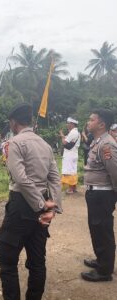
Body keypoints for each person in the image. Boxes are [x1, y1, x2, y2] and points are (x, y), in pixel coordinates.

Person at [0, 103, 62, 300]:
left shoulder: (15, 143)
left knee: (6, 257)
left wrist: (41, 205)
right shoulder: (45, 145)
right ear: (31, 121)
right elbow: (55, 178)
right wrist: (52, 207)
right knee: (37, 261)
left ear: (14, 123)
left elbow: (21, 178)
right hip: (41, 204)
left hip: (22, 205)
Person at [81, 109, 117, 282]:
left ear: (101, 124)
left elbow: (115, 171)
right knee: (96, 229)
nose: (88, 122)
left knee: (103, 231)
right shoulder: (98, 141)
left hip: (103, 195)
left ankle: (105, 271)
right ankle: (101, 260)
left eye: (91, 119)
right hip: (95, 193)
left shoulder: (107, 144)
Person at [60, 117, 81, 194]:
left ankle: (71, 189)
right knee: (73, 171)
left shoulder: (72, 132)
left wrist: (62, 136)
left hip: (69, 155)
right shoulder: (77, 132)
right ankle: (74, 188)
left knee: (69, 171)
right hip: (74, 154)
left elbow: (65, 143)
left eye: (68, 123)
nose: (67, 124)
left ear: (72, 124)